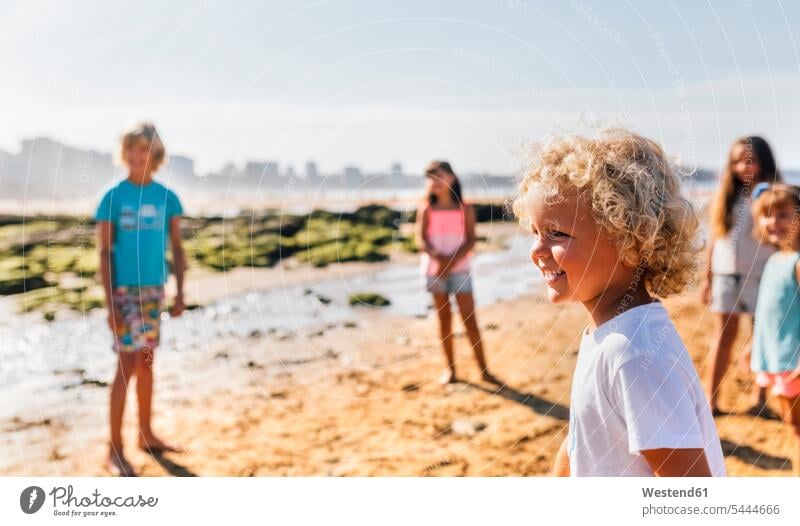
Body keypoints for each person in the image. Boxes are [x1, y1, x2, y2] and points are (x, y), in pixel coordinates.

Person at [514, 129, 726, 476]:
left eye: (556, 234)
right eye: (535, 232)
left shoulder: (634, 354)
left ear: (631, 238)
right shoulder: (611, 335)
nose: (536, 250)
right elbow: (586, 433)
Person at [96, 122, 186, 476]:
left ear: (156, 156)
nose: (138, 156)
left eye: (144, 150)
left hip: (154, 291)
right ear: (124, 153)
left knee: (146, 362)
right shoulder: (113, 197)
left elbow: (177, 248)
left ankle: (146, 435)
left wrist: (181, 291)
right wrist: (110, 304)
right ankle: (113, 448)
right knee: (125, 365)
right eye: (132, 149)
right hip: (123, 293)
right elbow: (104, 252)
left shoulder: (168, 197)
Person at [701, 136, 780, 416]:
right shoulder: (727, 196)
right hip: (726, 275)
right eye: (736, 161)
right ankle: (710, 400)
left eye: (749, 160)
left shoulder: (773, 196)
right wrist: (706, 278)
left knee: (763, 337)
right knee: (723, 338)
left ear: (763, 162)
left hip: (763, 275)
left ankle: (761, 400)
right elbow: (714, 239)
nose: (742, 167)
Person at [416, 160, 500, 386]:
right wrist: (439, 259)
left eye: (439, 176)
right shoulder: (426, 208)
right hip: (434, 272)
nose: (435, 182)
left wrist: (450, 262)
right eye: (430, 177)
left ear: (452, 177)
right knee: (444, 322)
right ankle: (450, 370)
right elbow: (421, 240)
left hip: (460, 271)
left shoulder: (466, 208)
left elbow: (471, 240)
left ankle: (484, 370)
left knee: (470, 321)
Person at [749, 183, 800, 475]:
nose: (773, 222)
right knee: (791, 427)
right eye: (766, 215)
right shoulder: (773, 260)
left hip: (794, 361)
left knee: (796, 431)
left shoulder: (796, 262)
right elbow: (768, 314)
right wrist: (754, 347)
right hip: (777, 359)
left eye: (782, 214)